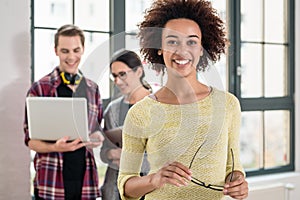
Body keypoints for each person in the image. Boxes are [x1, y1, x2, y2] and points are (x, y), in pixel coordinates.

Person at [117, 0, 249, 200]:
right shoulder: (140, 113)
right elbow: (126, 185)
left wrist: (238, 181)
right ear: (159, 48)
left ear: (202, 48)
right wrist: (154, 179)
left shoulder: (228, 104)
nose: (182, 50)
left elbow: (233, 167)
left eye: (192, 41)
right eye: (172, 41)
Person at [23, 24, 104, 200]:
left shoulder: (93, 89)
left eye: (76, 50)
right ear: (56, 51)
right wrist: (54, 147)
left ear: (83, 49)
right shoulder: (40, 88)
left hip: (85, 181)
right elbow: (30, 141)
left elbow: (96, 129)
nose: (71, 57)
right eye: (65, 51)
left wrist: (97, 137)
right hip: (50, 182)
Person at [100, 50, 151, 200]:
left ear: (139, 71)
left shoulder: (159, 106)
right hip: (114, 190)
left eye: (122, 74)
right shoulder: (112, 109)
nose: (117, 81)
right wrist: (111, 154)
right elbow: (104, 151)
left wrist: (130, 159)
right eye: (114, 76)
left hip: (148, 189)